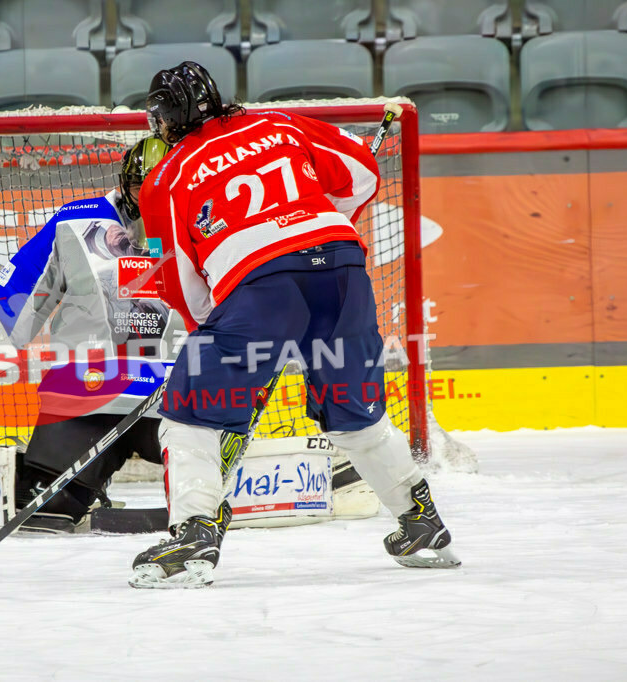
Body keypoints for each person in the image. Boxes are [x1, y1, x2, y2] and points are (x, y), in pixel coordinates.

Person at [129, 61, 461, 588]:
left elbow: (180, 281)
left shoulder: (164, 178)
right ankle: (422, 524)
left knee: (190, 413)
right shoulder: (279, 123)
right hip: (342, 267)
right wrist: (314, 227)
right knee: (354, 412)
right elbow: (362, 174)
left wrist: (216, 333)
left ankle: (193, 533)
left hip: (259, 283)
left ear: (164, 118)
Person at [0, 136, 179, 533]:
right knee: (46, 510)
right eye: (141, 188)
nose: (151, 199)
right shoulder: (75, 223)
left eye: (165, 189)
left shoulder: (208, 222)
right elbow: (21, 295)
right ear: (125, 184)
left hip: (181, 398)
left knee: (205, 491)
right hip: (93, 393)